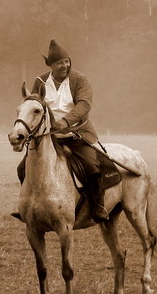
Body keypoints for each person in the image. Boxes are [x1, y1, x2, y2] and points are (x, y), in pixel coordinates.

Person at [21, 39, 109, 222]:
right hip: (48, 137)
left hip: (78, 135)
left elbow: (84, 105)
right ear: (51, 65)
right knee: (23, 167)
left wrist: (65, 121)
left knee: (91, 167)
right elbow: (34, 105)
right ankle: (28, 205)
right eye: (59, 62)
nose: (64, 65)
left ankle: (97, 207)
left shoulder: (80, 80)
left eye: (67, 61)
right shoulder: (40, 81)